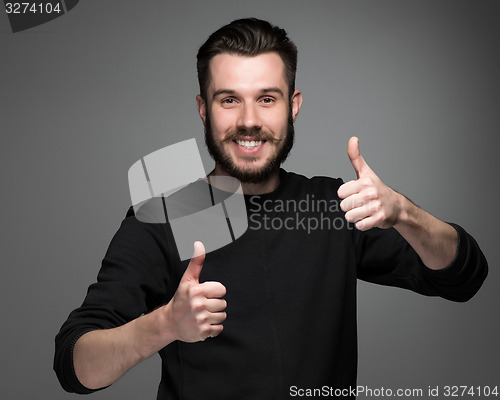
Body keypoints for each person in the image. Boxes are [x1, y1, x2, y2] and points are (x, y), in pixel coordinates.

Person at [54, 18, 488, 399]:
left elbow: (463, 277)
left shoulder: (335, 206)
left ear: (292, 106)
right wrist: (163, 325)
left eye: (266, 98)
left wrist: (406, 214)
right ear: (203, 109)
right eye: (229, 100)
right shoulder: (162, 218)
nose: (248, 120)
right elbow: (75, 366)